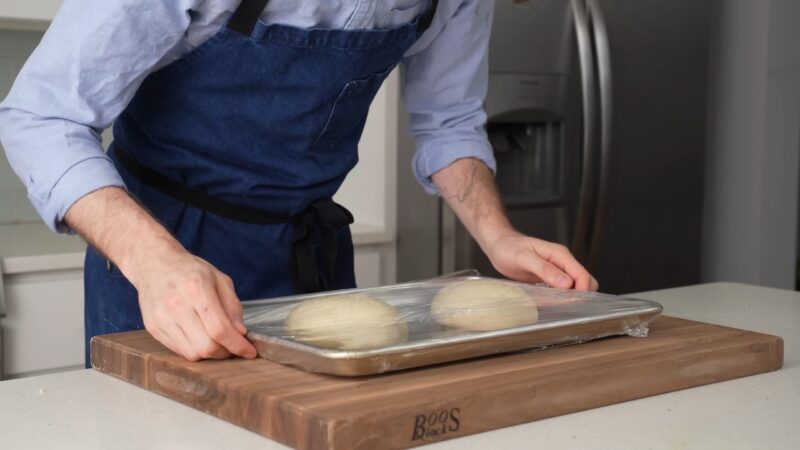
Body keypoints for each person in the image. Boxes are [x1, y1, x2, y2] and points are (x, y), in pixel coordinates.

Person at [0, 0, 597, 365]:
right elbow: (40, 116)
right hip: (161, 252)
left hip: (310, 256)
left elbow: (448, 122)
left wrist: (499, 237)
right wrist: (156, 263)